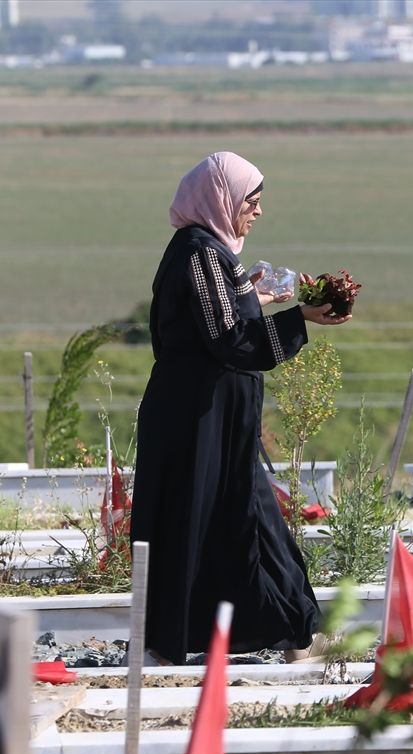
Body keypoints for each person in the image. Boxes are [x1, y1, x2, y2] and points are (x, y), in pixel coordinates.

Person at [130, 151, 349, 666]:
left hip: (217, 421)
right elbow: (228, 339)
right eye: (251, 201)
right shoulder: (199, 252)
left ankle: (295, 634)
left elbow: (221, 319)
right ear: (222, 199)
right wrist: (299, 320)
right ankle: (174, 643)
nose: (257, 211)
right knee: (201, 521)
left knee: (248, 518)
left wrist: (265, 298)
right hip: (197, 421)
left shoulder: (211, 253)